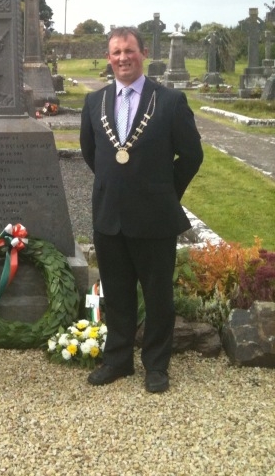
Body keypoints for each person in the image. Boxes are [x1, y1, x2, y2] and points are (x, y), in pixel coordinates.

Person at [80, 26, 203, 394]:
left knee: (157, 295)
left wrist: (166, 191)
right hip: (109, 217)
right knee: (116, 294)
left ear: (143, 52)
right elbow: (92, 153)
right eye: (116, 52)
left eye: (129, 51)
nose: (122, 58)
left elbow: (192, 155)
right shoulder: (95, 102)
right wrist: (115, 187)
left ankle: (156, 366)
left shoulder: (168, 101)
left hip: (154, 217)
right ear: (108, 57)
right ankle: (118, 360)